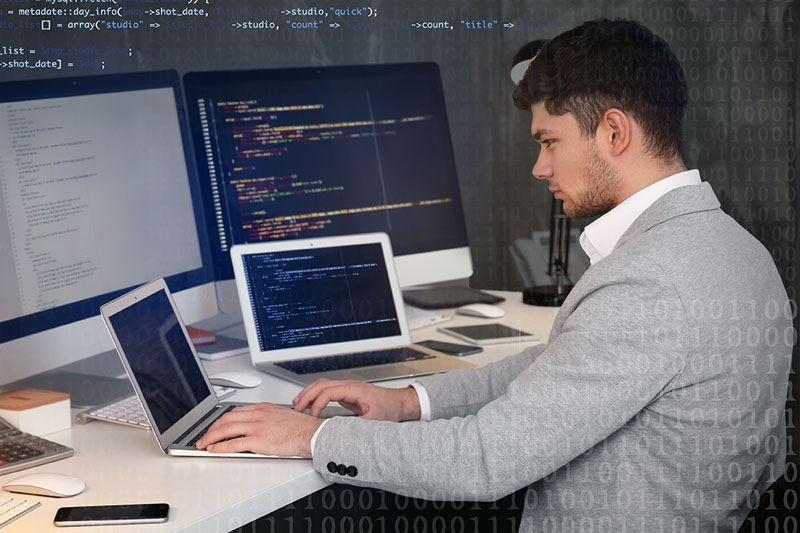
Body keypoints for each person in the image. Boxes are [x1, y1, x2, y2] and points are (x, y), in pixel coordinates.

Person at [197, 19, 792, 532]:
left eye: (550, 141)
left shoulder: (648, 284)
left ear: (615, 132)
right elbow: (560, 366)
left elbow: (485, 461)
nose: (539, 167)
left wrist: (309, 439)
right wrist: (410, 401)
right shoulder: (736, 251)